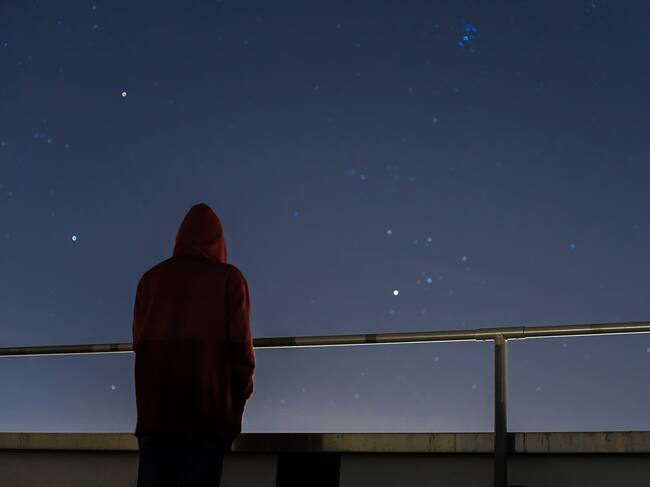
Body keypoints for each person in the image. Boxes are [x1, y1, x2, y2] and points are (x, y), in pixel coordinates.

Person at [132, 203, 255, 487]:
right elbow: (241, 354)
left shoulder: (149, 281)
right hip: (206, 419)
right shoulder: (229, 279)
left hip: (155, 419)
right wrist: (236, 410)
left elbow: (140, 344)